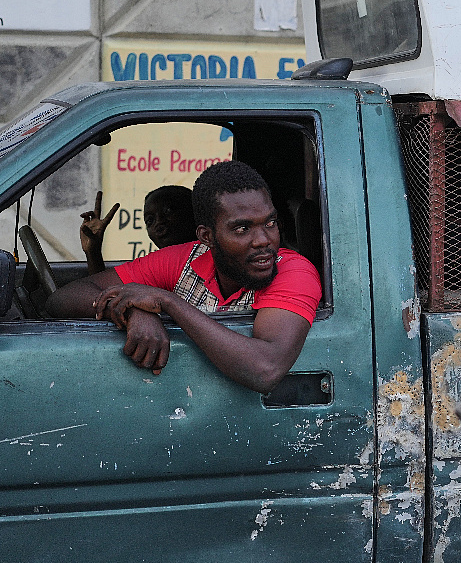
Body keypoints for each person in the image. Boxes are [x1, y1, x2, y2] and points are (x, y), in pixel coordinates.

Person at [46, 161, 322, 393]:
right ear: (207, 237)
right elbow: (62, 299)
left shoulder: (293, 271)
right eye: (242, 229)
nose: (264, 241)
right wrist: (131, 311)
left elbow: (265, 369)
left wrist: (167, 302)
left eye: (270, 223)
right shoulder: (184, 258)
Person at [79, 186, 197, 274]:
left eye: (168, 211)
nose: (159, 222)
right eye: (150, 220)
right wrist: (93, 252)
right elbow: (103, 296)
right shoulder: (152, 268)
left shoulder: (211, 258)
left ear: (195, 213)